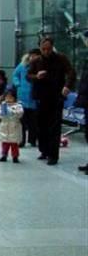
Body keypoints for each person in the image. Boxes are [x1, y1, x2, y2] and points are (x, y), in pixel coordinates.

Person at [27, 37, 76, 165]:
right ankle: (44, 150)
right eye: (43, 49)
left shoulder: (61, 58)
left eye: (48, 49)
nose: (46, 51)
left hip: (56, 96)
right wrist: (36, 76)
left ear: (52, 47)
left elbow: (71, 72)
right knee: (41, 125)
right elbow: (28, 75)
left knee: (54, 126)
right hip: (41, 97)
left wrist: (67, 86)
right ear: (40, 48)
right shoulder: (36, 61)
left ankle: (53, 155)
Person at [12, 49, 41, 147]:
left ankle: (33, 139)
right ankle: (21, 140)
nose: (33, 57)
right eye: (32, 55)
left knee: (34, 121)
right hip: (22, 95)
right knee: (21, 121)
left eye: (35, 56)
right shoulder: (22, 65)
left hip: (34, 97)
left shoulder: (39, 66)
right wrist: (18, 84)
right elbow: (15, 75)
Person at [0, 89, 24, 163]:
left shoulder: (18, 105)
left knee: (14, 143)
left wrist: (13, 112)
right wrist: (1, 113)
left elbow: (20, 113)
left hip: (14, 126)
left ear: (14, 98)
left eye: (10, 97)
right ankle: (4, 155)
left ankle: (15, 156)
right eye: (7, 97)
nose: (8, 99)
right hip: (5, 127)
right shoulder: (3, 105)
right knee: (5, 143)